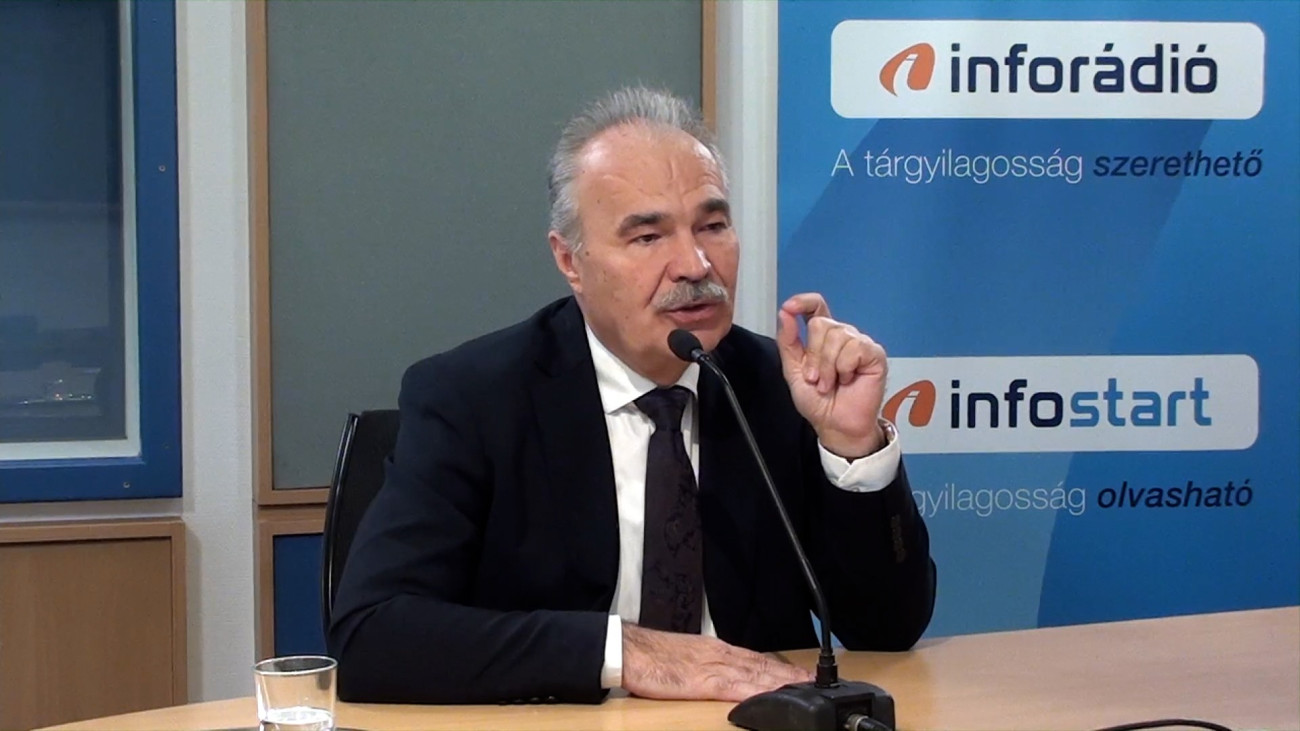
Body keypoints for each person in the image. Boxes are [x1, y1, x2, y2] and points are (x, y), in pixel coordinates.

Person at [327, 87, 936, 705]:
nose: (695, 264)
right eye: (648, 237)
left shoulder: (781, 386)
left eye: (713, 226)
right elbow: (371, 637)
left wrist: (852, 446)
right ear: (571, 261)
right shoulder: (474, 398)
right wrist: (626, 652)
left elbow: (886, 629)